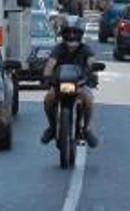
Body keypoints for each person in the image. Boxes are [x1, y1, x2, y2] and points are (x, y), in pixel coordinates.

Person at [40, 16, 100, 147]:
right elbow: (50, 64)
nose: (71, 36)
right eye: (68, 32)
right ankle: (52, 128)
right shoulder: (58, 49)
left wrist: (93, 76)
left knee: (89, 99)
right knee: (49, 99)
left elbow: (92, 63)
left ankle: (86, 129)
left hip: (79, 86)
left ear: (80, 34)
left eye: (75, 32)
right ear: (63, 34)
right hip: (59, 85)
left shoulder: (86, 49)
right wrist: (46, 77)